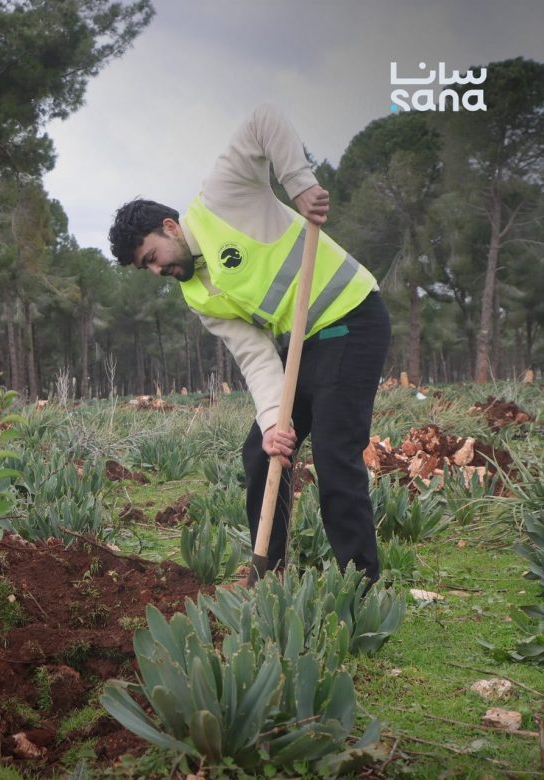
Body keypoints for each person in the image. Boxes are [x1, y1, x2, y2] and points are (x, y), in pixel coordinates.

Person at [107, 103, 390, 586]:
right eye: (146, 269)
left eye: (152, 257)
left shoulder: (222, 196)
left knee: (333, 453)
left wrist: (299, 184)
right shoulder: (196, 293)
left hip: (351, 318)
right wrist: (272, 424)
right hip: (305, 343)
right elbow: (256, 356)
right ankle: (269, 570)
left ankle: (360, 585)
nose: (157, 272)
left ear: (170, 227)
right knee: (263, 452)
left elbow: (264, 121)